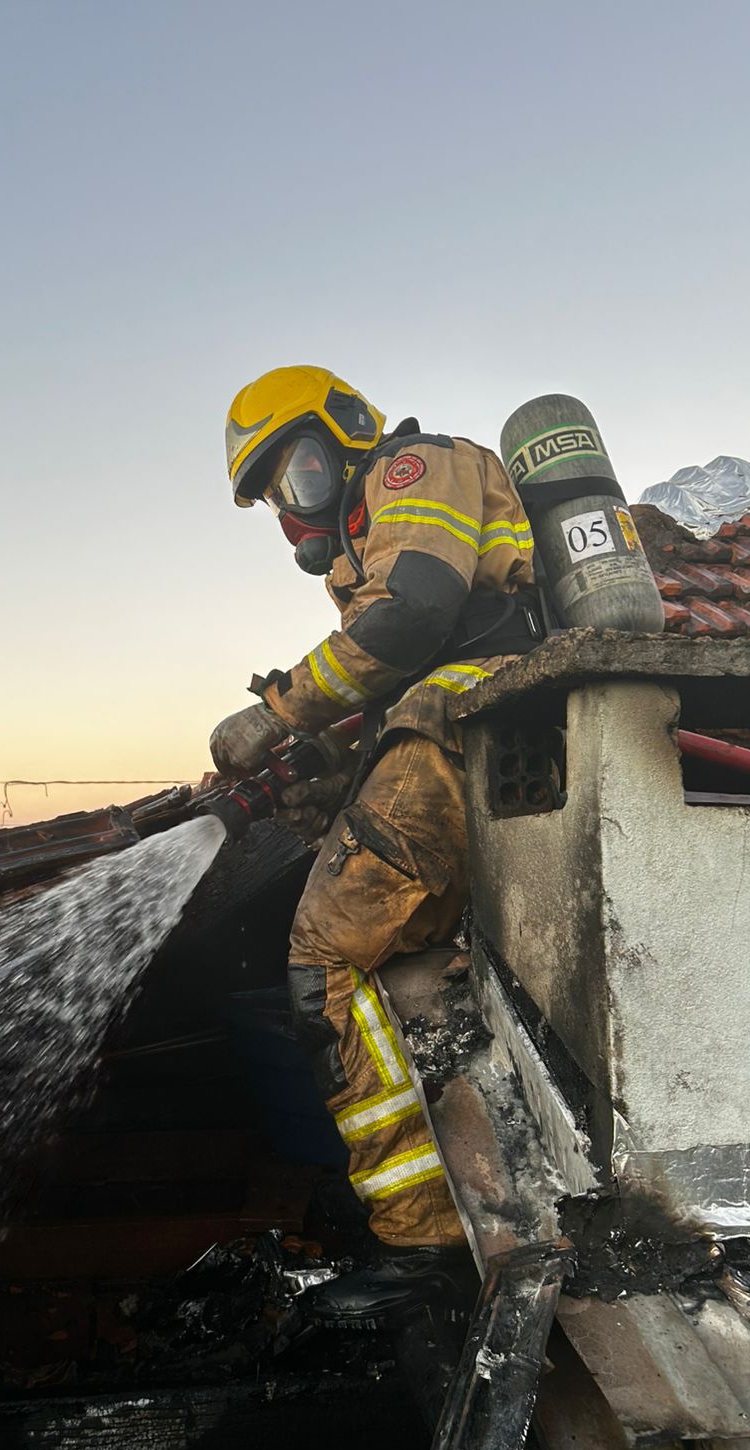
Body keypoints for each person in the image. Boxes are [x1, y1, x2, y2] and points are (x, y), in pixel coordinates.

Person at [211, 365, 542, 1325]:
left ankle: (422, 1239)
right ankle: (465, 1210)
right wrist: (322, 771)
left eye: (301, 473)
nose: (293, 506)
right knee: (405, 966)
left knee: (324, 955)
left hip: (467, 721)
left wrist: (275, 716)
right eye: (275, 494)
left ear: (348, 436)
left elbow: (417, 615)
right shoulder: (368, 539)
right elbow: (392, 664)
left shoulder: (412, 470)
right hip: (450, 722)